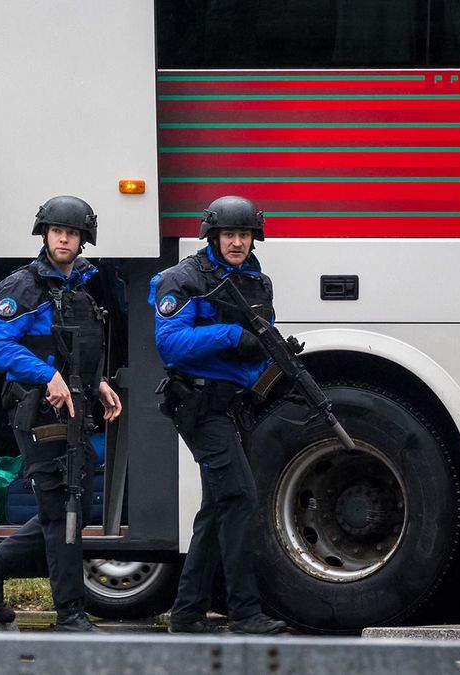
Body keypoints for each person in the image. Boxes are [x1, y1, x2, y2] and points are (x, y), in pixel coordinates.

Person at [0, 195, 123, 632]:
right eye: (56, 231)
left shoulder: (80, 288)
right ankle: (70, 613)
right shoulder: (21, 287)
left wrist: (97, 384)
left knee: (67, 508)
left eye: (71, 233)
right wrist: (47, 375)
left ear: (83, 239)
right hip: (37, 411)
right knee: (64, 507)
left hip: (74, 409)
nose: (63, 238)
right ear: (45, 235)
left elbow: (74, 352)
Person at [148, 195, 288, 635]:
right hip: (199, 405)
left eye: (245, 235)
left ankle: (188, 612)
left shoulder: (256, 282)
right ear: (213, 236)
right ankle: (246, 612)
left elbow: (258, 341)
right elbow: (170, 343)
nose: (237, 243)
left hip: (235, 406)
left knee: (215, 508)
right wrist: (231, 334)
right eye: (230, 234)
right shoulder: (184, 278)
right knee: (241, 500)